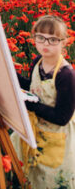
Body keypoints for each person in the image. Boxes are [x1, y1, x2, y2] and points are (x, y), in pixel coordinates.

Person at [11, 15, 75, 189]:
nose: (45, 44)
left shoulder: (65, 75)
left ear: (64, 42)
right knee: (35, 176)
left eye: (53, 39)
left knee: (52, 179)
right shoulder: (37, 63)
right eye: (40, 38)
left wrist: (30, 104)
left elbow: (63, 117)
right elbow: (31, 86)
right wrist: (10, 73)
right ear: (34, 39)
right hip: (36, 130)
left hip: (56, 136)